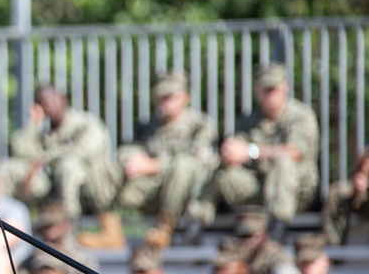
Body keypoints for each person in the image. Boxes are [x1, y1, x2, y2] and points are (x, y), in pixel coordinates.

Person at [0, 84, 124, 249]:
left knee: (68, 166)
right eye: (41, 103)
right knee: (7, 167)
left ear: (63, 100)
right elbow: (19, 150)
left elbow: (85, 151)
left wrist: (44, 158)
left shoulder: (84, 123)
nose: (46, 106)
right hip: (53, 186)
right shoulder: (44, 131)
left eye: (49, 101)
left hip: (91, 187)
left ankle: (69, 230)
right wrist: (33, 124)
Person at [201, 64, 319, 240]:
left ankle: (278, 226)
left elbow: (293, 152)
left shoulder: (300, 115)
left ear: (285, 88)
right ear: (257, 91)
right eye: (265, 90)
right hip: (261, 188)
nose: (269, 95)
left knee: (282, 161)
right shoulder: (250, 120)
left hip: (295, 190)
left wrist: (251, 151)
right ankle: (197, 221)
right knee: (218, 169)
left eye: (273, 89)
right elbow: (238, 149)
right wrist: (229, 154)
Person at [110, 70, 218, 248]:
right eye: (161, 96)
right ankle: (108, 227)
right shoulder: (151, 126)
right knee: (114, 170)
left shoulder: (200, 124)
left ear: (185, 97)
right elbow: (134, 147)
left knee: (183, 166)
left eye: (171, 96)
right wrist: (132, 159)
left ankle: (165, 227)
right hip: (158, 188)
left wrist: (156, 164)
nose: (166, 101)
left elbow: (201, 155)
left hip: (193, 191)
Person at [323, 147, 369, 245]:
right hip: (360, 198)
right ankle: (333, 249)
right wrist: (359, 189)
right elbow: (359, 173)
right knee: (335, 194)